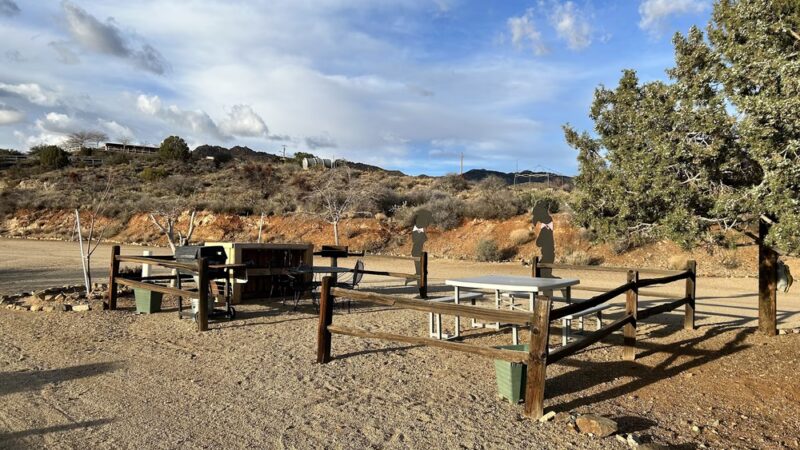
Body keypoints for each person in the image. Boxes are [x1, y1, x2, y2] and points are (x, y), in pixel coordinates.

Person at [411, 209, 433, 292]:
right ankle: (421, 289)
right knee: (420, 272)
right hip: (416, 252)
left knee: (422, 271)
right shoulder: (417, 229)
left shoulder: (418, 229)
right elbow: (421, 239)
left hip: (419, 252)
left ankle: (421, 287)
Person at [532, 202, 555, 278]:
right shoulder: (547, 226)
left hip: (547, 256)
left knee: (541, 275)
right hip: (549, 254)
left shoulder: (545, 229)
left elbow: (538, 243)